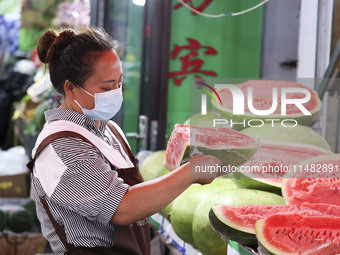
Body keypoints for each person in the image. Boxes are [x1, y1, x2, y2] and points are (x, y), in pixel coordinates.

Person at [27, 26, 220, 255]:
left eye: (119, 83)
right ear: (71, 88)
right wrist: (191, 172)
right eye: (107, 87)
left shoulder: (110, 130)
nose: (116, 92)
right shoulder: (60, 146)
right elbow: (122, 207)